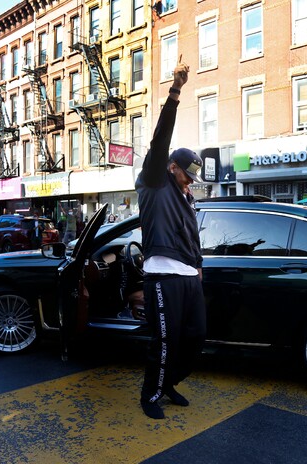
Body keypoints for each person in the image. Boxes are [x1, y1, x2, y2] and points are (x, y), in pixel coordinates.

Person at [135, 60, 206, 420]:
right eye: (187, 175)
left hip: (188, 278)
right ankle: (150, 395)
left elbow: (192, 236)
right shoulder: (155, 181)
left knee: (195, 337)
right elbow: (160, 138)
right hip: (162, 276)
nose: (190, 181)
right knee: (163, 341)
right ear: (171, 167)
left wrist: (199, 267)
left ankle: (168, 383)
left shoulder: (186, 198)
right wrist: (175, 92)